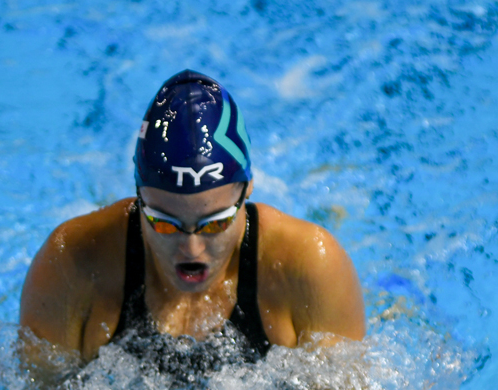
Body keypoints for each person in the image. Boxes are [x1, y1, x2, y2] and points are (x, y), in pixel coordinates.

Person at [20, 70, 365, 373]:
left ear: (248, 190)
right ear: (139, 197)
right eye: (165, 223)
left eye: (214, 223)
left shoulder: (310, 265)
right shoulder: (71, 263)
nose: (191, 247)